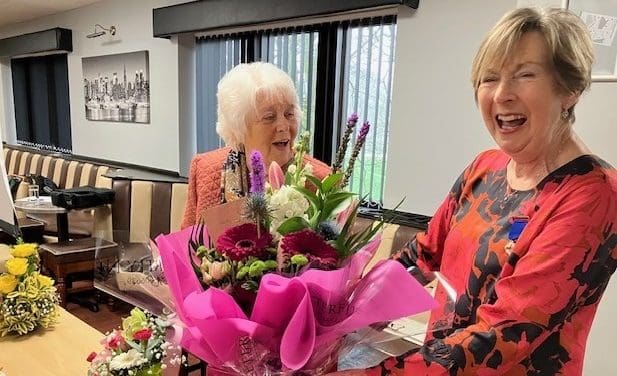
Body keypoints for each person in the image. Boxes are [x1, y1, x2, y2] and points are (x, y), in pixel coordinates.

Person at [331, 7, 616, 376]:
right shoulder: (486, 167)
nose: (501, 94)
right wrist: (348, 313)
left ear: (570, 89)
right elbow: (421, 256)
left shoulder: (593, 196)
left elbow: (505, 332)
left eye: (524, 75)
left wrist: (373, 373)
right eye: (489, 78)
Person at [181, 62, 330, 228]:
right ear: (239, 127)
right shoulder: (204, 169)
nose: (284, 126)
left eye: (289, 114)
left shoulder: (322, 181)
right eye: (269, 117)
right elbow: (185, 245)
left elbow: (335, 250)